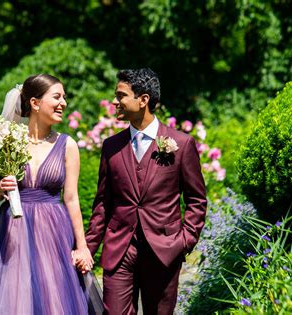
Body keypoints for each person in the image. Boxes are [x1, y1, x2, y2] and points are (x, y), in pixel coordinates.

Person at [82, 68, 207, 314]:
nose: (115, 102)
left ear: (143, 100)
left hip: (164, 250)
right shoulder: (111, 146)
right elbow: (103, 204)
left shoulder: (181, 144)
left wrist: (184, 240)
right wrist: (88, 248)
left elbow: (196, 199)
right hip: (120, 249)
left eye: (121, 96)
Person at [0, 74, 102, 314]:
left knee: (53, 299)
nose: (63, 103)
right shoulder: (9, 142)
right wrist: (0, 186)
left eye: (64, 97)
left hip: (52, 233)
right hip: (12, 234)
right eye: (57, 97)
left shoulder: (68, 145)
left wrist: (82, 247)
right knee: (14, 301)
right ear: (35, 103)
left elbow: (71, 198)